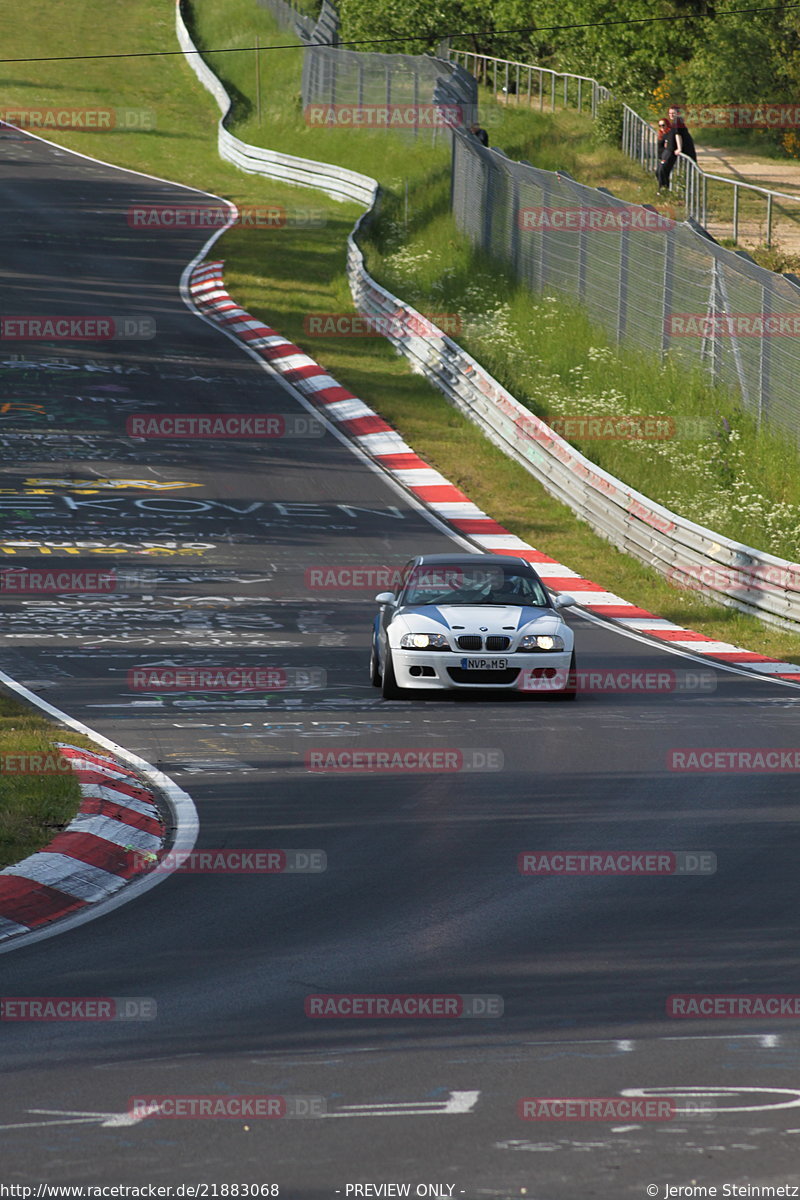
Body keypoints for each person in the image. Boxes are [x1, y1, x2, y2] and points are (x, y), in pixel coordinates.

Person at [655, 118, 671, 190]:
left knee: (662, 172)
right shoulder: (661, 134)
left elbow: (668, 146)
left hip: (666, 157)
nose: (661, 127)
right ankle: (662, 188)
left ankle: (663, 188)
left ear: (667, 125)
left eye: (663, 125)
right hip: (661, 157)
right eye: (660, 125)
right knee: (658, 172)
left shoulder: (668, 134)